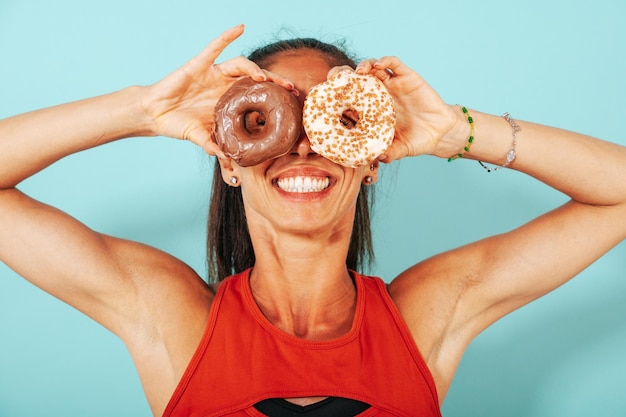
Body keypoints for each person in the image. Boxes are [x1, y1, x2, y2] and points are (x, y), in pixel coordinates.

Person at [1, 24, 625, 417]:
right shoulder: (170, 315)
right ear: (230, 164)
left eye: (335, 122)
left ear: (373, 160)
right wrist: (144, 110)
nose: (303, 147)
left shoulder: (429, 313)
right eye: (268, 122)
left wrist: (450, 131)